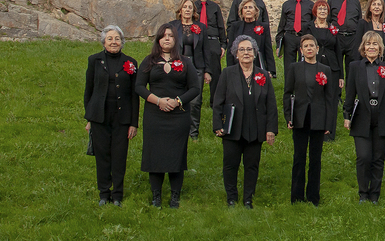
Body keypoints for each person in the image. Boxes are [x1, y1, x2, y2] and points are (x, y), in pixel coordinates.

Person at [134, 23, 201, 208]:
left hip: (178, 116)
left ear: (175, 39)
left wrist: (178, 100)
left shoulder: (186, 62)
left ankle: (175, 196)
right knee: (154, 155)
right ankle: (156, 196)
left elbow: (195, 88)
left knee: (176, 155)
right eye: (163, 36)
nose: (167, 39)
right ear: (158, 39)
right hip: (155, 115)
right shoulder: (149, 61)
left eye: (170, 36)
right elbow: (139, 86)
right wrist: (157, 100)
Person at [213, 35, 278, 208]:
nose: (246, 52)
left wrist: (271, 129)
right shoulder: (227, 73)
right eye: (242, 49)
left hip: (255, 128)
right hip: (232, 128)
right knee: (230, 165)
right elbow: (218, 101)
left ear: (255, 53)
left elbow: (271, 104)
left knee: (252, 166)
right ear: (235, 54)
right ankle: (231, 198)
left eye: (249, 49)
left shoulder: (263, 75)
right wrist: (218, 125)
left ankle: (248, 198)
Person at [84, 25, 139, 206]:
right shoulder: (94, 60)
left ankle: (117, 195)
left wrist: (133, 123)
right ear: (104, 42)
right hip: (100, 116)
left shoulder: (131, 63)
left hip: (121, 117)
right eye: (110, 38)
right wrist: (90, 118)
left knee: (119, 155)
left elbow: (134, 95)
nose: (113, 42)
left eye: (117, 38)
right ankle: (103, 193)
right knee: (102, 156)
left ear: (122, 42)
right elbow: (89, 91)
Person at [344, 31, 385, 203]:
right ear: (363, 47)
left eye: (375, 44)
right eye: (368, 44)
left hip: (382, 116)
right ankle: (363, 193)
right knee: (363, 157)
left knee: (378, 158)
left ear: (380, 48)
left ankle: (375, 194)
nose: (371, 47)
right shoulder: (355, 67)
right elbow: (349, 92)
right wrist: (346, 115)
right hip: (361, 116)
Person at [283, 34, 338, 205]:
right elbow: (287, 93)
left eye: (311, 46)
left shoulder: (325, 70)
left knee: (315, 159)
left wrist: (329, 123)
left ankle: (313, 196)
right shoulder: (294, 68)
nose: (309, 49)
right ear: (301, 50)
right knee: (299, 157)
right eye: (305, 46)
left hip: (318, 119)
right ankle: (296, 196)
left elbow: (330, 99)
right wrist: (288, 117)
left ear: (317, 48)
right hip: (300, 117)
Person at [168, 0, 207, 138]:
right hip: (177, 65)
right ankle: (177, 130)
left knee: (195, 101)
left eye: (190, 7)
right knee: (176, 96)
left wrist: (207, 71)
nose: (187, 10)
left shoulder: (200, 27)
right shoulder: (172, 26)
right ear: (180, 9)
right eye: (185, 7)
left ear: (194, 10)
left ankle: (193, 133)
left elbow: (205, 50)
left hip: (196, 66)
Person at [191, 0, 226, 127]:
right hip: (196, 40)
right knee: (196, 71)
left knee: (215, 73)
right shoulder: (192, 6)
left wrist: (223, 44)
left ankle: (214, 102)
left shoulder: (214, 7)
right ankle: (194, 99)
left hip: (212, 41)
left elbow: (220, 26)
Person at [227, 0, 276, 78]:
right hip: (239, 65)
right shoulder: (235, 26)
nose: (248, 10)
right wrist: (229, 70)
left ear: (256, 11)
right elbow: (230, 50)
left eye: (250, 7)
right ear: (241, 11)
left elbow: (268, 49)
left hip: (257, 64)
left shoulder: (263, 27)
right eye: (245, 8)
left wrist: (271, 70)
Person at [277, 0, 315, 71]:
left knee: (304, 65)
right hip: (290, 37)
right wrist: (278, 44)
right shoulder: (286, 5)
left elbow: (313, 24)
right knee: (289, 66)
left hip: (304, 37)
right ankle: (289, 85)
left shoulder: (311, 5)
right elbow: (282, 25)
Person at [328, 0, 362, 79]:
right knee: (337, 65)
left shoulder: (356, 2)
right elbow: (328, 21)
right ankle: (336, 93)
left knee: (351, 66)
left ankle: (350, 93)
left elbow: (359, 20)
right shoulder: (331, 1)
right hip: (337, 37)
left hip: (352, 38)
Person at [357, 0, 385, 68]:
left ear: (382, 8)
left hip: (384, 63)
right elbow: (358, 45)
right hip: (366, 63)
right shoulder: (363, 24)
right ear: (370, 8)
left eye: (379, 5)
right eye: (374, 4)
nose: (376, 7)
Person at [310, 0, 343, 89]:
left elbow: (338, 52)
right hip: (315, 63)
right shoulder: (309, 27)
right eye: (320, 9)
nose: (322, 11)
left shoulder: (333, 28)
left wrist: (341, 76)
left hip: (331, 65)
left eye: (325, 9)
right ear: (315, 11)